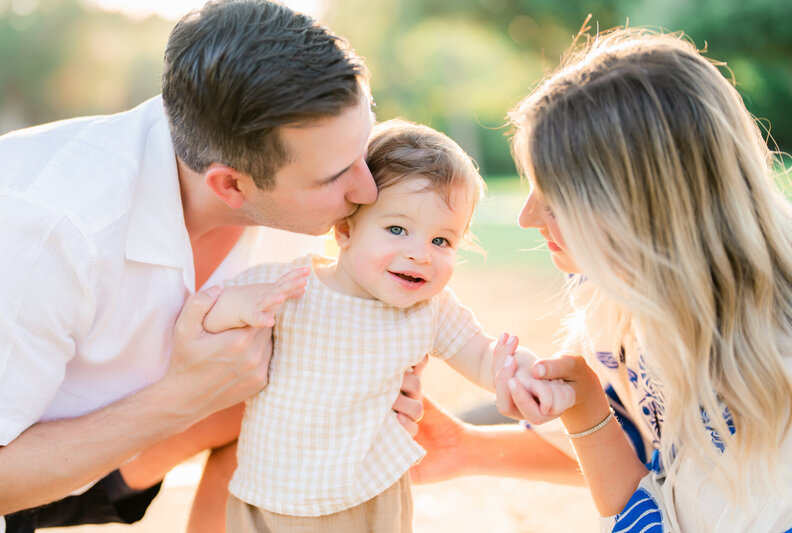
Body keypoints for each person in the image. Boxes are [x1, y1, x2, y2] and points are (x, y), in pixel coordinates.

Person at [0, 2, 424, 532]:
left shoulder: (275, 166)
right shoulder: (49, 226)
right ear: (230, 186)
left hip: (117, 452)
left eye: (364, 148)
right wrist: (180, 398)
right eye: (334, 176)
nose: (367, 189)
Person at [413, 27, 792, 532]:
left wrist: (582, 411)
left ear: (636, 210)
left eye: (554, 196)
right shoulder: (615, 287)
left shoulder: (776, 375)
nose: (527, 217)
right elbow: (642, 449)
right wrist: (467, 448)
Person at [197, 118, 575, 532]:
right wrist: (239, 307)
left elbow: (484, 355)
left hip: (371, 497)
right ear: (345, 229)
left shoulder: (428, 309)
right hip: (269, 496)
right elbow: (204, 321)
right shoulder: (289, 287)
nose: (420, 254)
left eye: (441, 241)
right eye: (397, 229)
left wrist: (525, 374)